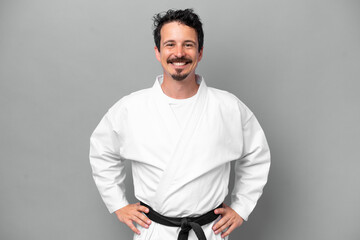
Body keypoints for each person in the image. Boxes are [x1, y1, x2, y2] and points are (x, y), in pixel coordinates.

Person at [90, 8, 270, 240]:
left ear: (200, 52)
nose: (179, 53)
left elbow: (257, 154)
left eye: (188, 44)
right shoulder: (131, 108)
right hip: (154, 232)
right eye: (170, 44)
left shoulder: (228, 107)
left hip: (209, 231)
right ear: (157, 51)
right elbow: (102, 151)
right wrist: (117, 204)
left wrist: (242, 207)